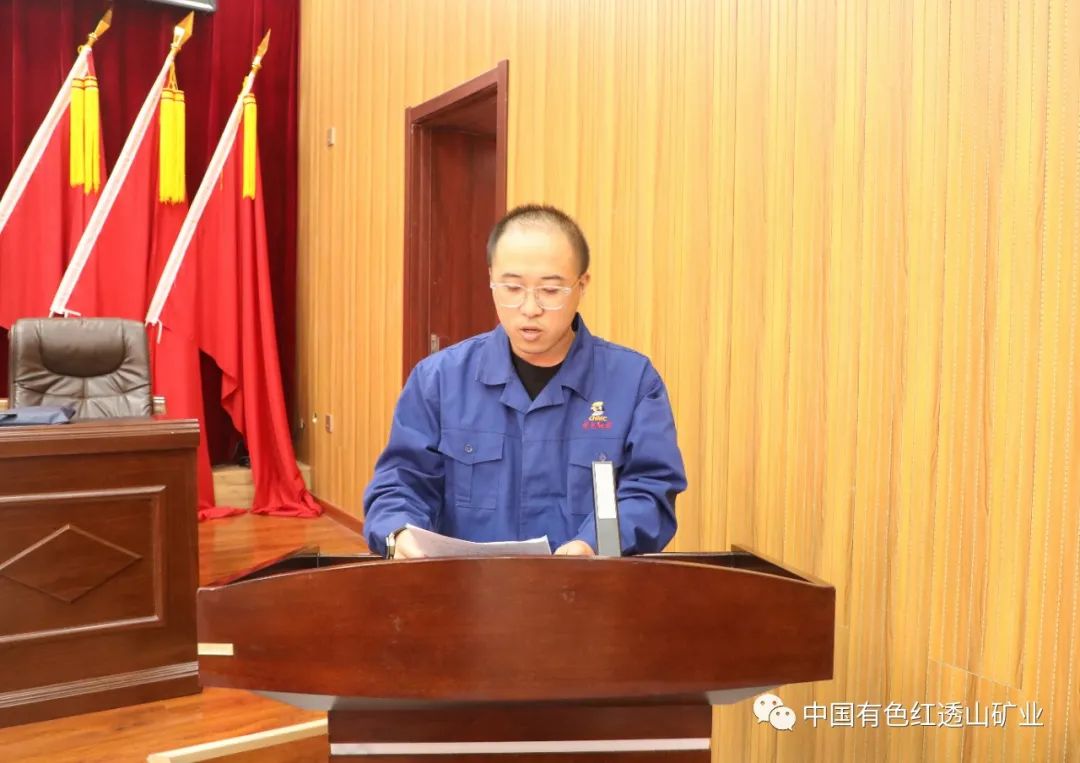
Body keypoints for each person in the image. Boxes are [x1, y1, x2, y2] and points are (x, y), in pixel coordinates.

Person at [362, 204, 686, 558]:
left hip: (586, 586)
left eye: (551, 290)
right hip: (465, 587)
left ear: (581, 285)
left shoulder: (633, 382)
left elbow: (649, 493)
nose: (530, 308)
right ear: (491, 279)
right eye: (513, 287)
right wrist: (399, 534)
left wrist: (592, 546)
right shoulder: (438, 380)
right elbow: (401, 482)